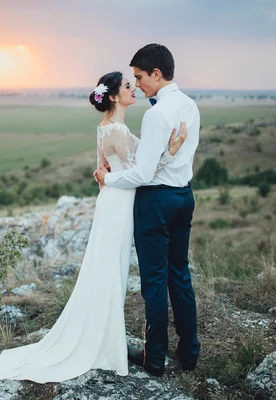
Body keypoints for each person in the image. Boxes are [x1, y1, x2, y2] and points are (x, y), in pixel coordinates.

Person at [0, 70, 187, 383]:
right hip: (118, 206)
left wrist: (108, 173)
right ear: (115, 96)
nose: (135, 90)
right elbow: (143, 172)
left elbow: (103, 168)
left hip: (111, 202)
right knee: (110, 271)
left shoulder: (104, 128)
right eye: (129, 87)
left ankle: (103, 336)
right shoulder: (116, 129)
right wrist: (169, 153)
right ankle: (104, 343)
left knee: (105, 269)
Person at [94, 44, 201, 377]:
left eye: (139, 78)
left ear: (157, 74)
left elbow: (142, 173)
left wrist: (109, 181)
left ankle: (154, 357)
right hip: (184, 197)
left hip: (156, 203)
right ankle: (190, 351)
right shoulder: (191, 106)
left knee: (154, 282)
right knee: (180, 276)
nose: (137, 84)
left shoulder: (156, 115)